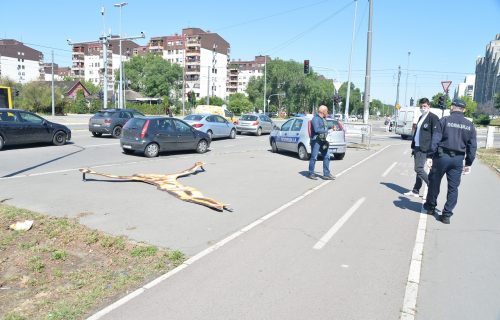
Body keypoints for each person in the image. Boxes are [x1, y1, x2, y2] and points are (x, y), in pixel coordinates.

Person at [423, 99, 477, 224]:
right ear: (464, 110)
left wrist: (430, 156)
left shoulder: (444, 120)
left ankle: (431, 207)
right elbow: (472, 146)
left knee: (434, 182)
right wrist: (469, 163)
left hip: (441, 157)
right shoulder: (470, 125)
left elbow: (435, 139)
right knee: (453, 188)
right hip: (458, 160)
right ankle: (446, 215)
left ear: (452, 107)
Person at [404, 98, 440, 198]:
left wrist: (433, 149)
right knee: (418, 170)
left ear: (429, 106)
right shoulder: (421, 117)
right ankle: (416, 190)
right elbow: (417, 133)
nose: (422, 108)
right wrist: (413, 146)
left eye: (424, 106)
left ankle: (431, 186)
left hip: (425, 148)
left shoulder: (433, 118)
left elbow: (435, 135)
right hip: (417, 146)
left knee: (418, 168)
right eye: (421, 106)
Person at [307, 105, 335, 180]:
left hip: (323, 140)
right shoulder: (315, 119)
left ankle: (326, 174)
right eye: (327, 111)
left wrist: (331, 127)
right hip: (316, 141)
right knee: (314, 157)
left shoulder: (323, 119)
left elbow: (324, 126)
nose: (327, 112)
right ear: (323, 111)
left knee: (327, 156)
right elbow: (317, 130)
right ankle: (311, 173)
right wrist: (327, 130)